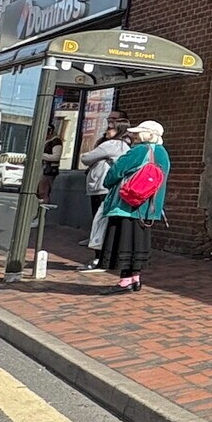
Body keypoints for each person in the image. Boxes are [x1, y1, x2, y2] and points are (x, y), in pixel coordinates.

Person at [99, 121, 168, 292]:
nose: (134, 136)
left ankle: (125, 281)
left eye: (138, 133)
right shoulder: (163, 153)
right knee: (138, 243)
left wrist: (108, 183)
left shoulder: (139, 150)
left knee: (124, 241)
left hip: (128, 204)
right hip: (148, 207)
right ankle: (135, 278)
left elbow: (116, 171)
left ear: (147, 134)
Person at [78, 119, 131, 272]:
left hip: (101, 187)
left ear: (119, 130)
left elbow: (85, 158)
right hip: (112, 188)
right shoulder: (125, 146)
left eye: (111, 129)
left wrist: (96, 156)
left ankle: (99, 258)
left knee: (99, 222)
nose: (107, 131)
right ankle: (106, 257)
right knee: (108, 223)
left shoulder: (112, 145)